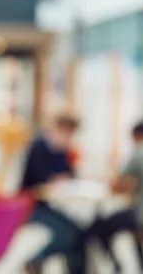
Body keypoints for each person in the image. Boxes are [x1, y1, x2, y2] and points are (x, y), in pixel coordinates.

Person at [86, 122, 143, 273]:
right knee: (130, 217)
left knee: (99, 226)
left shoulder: (140, 153)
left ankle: (116, 266)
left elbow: (118, 186)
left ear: (137, 136)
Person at [21, 114, 85, 274]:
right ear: (57, 128)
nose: (68, 137)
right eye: (67, 132)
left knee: (80, 231)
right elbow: (42, 181)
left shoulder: (61, 150)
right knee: (68, 234)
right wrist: (58, 178)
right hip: (31, 205)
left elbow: (70, 175)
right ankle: (35, 260)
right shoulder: (38, 147)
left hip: (48, 203)